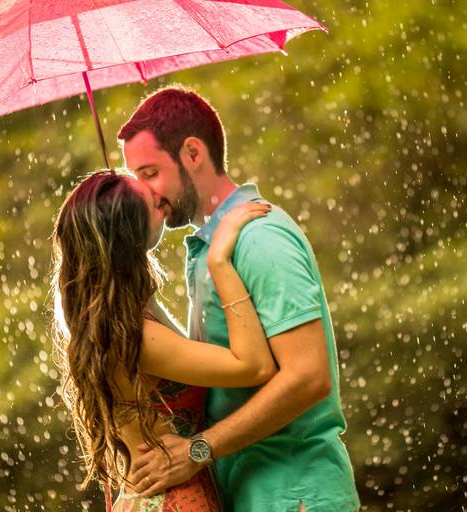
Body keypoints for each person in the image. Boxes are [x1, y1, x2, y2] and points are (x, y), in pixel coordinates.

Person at [119, 86, 361, 511]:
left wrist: (197, 451)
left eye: (150, 173)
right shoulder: (209, 251)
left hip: (294, 493)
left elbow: (309, 376)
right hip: (248, 493)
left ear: (193, 153)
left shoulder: (259, 237)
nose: (149, 193)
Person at [50, 169, 278, 511]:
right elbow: (255, 365)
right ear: (125, 237)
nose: (162, 199)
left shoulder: (114, 322)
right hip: (178, 501)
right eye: (151, 204)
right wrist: (220, 260)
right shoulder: (138, 339)